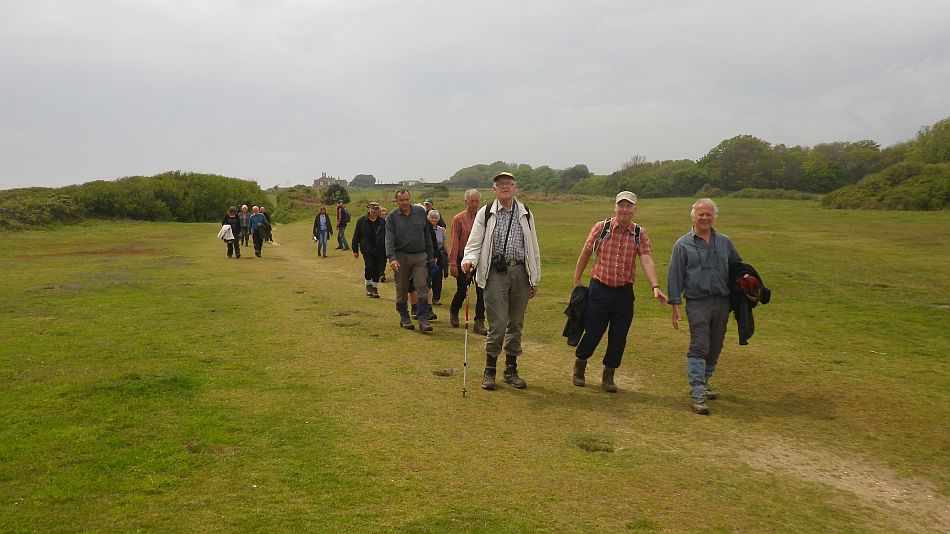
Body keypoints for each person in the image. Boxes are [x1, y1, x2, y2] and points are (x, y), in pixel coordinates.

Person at [570, 191, 668, 392]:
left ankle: (608, 375)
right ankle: (580, 365)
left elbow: (646, 259)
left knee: (619, 336)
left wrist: (655, 286)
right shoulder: (602, 227)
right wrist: (577, 279)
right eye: (621, 205)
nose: (624, 210)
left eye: (629, 206)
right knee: (593, 332)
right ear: (615, 207)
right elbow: (586, 251)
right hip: (599, 289)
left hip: (624, 293)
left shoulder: (639, 233)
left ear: (634, 209)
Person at [461, 172, 541, 391]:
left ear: (516, 189)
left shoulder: (525, 213)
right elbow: (474, 243)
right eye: (501, 184)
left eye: (509, 184)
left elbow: (532, 247)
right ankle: (490, 370)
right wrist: (468, 260)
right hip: (495, 273)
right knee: (497, 324)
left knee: (516, 323)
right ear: (494, 189)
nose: (505, 187)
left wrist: (534, 278)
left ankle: (511, 370)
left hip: (521, 273)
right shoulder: (485, 213)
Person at [667, 198, 743, 415]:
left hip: (722, 301)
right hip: (697, 302)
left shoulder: (725, 241)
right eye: (701, 214)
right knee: (700, 344)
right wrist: (675, 304)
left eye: (708, 214)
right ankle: (697, 393)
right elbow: (675, 275)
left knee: (716, 344)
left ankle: (705, 379)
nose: (705, 218)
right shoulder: (683, 244)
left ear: (714, 217)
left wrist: (746, 281)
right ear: (693, 217)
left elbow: (737, 266)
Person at [385, 189, 435, 332]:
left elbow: (427, 234)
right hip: (401, 255)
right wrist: (392, 258)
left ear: (410, 199)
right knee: (402, 287)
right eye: (401, 200)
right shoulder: (392, 217)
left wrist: (431, 254)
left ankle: (423, 319)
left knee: (422, 286)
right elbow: (388, 239)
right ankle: (404, 316)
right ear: (396, 201)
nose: (405, 202)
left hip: (420, 255)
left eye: (407, 199)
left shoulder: (420, 212)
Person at [448, 188, 487, 334]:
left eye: (477, 201)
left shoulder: (483, 218)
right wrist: (453, 263)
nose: (474, 204)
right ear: (466, 201)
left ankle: (479, 322)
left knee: (482, 291)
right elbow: (455, 242)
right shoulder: (458, 219)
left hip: (480, 260)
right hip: (462, 260)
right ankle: (454, 310)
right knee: (462, 290)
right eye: (472, 201)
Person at [352, 202, 386, 297]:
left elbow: (387, 236)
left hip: (379, 249)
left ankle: (375, 288)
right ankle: (368, 286)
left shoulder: (383, 222)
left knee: (377, 269)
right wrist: (355, 250)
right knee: (369, 266)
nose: (375, 213)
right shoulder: (361, 221)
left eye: (377, 211)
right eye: (373, 211)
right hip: (367, 248)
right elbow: (356, 235)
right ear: (369, 210)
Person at [427, 209, 449, 306]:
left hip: (439, 256)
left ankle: (436, 298)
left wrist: (449, 255)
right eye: (432, 218)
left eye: (435, 218)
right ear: (428, 218)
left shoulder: (441, 230)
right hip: (427, 255)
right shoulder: (425, 229)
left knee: (438, 277)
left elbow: (444, 244)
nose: (433, 220)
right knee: (428, 278)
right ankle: (427, 299)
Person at [379, 208, 389, 282]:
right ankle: (380, 273)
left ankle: (382, 274)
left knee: (383, 260)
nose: (384, 216)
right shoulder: (378, 223)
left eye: (385, 214)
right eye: (382, 214)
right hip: (379, 244)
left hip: (387, 244)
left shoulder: (389, 222)